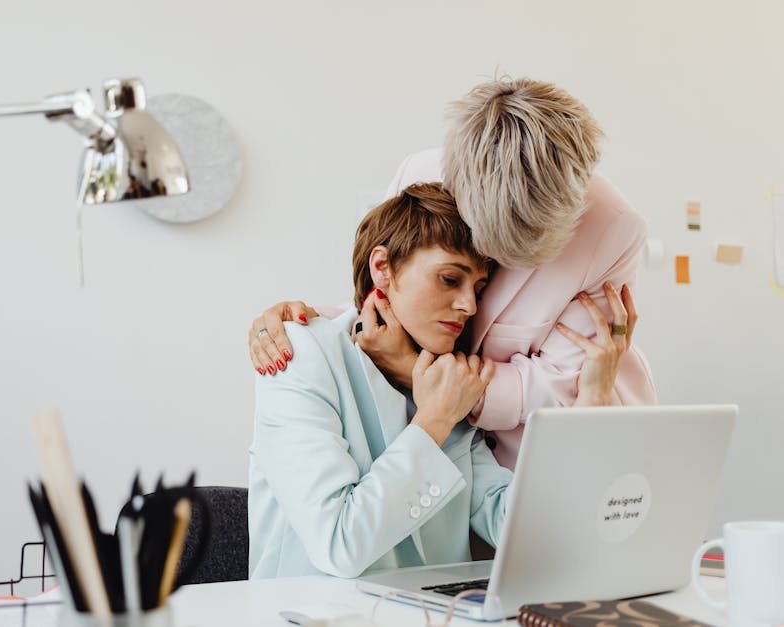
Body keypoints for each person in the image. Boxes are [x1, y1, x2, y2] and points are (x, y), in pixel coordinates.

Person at [247, 78, 655, 469]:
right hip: (444, 453)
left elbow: (565, 385)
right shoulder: (422, 174)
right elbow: (389, 303)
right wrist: (303, 320)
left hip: (542, 450)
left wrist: (417, 374)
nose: (471, 303)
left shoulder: (614, 226)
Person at [249, 183, 637, 579]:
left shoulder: (446, 376)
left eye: (479, 289)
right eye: (450, 279)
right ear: (382, 268)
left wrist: (592, 399)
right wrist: (434, 419)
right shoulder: (303, 354)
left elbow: (529, 531)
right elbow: (340, 546)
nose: (469, 305)